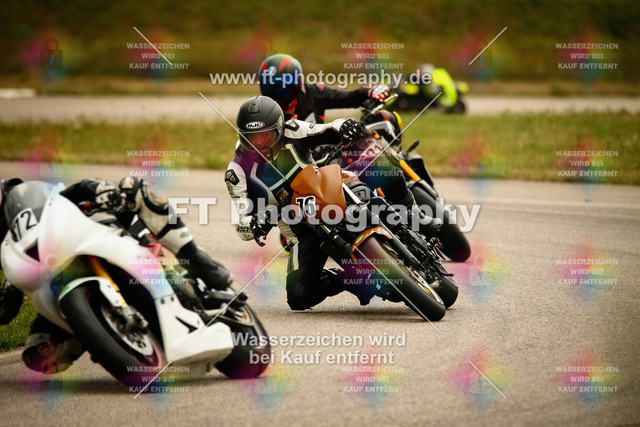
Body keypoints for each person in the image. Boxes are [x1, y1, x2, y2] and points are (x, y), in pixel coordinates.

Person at [0, 177, 232, 374]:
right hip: (58, 286)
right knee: (37, 355)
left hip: (100, 241)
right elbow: (5, 313)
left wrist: (98, 189)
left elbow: (74, 192)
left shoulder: (35, 200)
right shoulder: (7, 245)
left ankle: (199, 261)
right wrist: (9, 288)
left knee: (133, 187)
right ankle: (98, 333)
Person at [225, 96, 430, 311]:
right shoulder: (237, 172)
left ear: (279, 128)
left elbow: (327, 129)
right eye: (251, 137)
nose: (259, 144)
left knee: (383, 165)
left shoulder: (293, 130)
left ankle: (414, 216)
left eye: (265, 136)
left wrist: (347, 126)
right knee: (299, 295)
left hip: (329, 193)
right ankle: (352, 278)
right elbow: (241, 225)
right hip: (301, 231)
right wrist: (261, 220)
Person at [259, 53, 392, 123]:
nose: (276, 93)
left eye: (281, 88)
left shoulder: (313, 92)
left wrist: (369, 92)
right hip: (286, 163)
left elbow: (349, 98)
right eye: (269, 86)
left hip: (323, 160)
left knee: (385, 118)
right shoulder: (259, 110)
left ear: (295, 85)